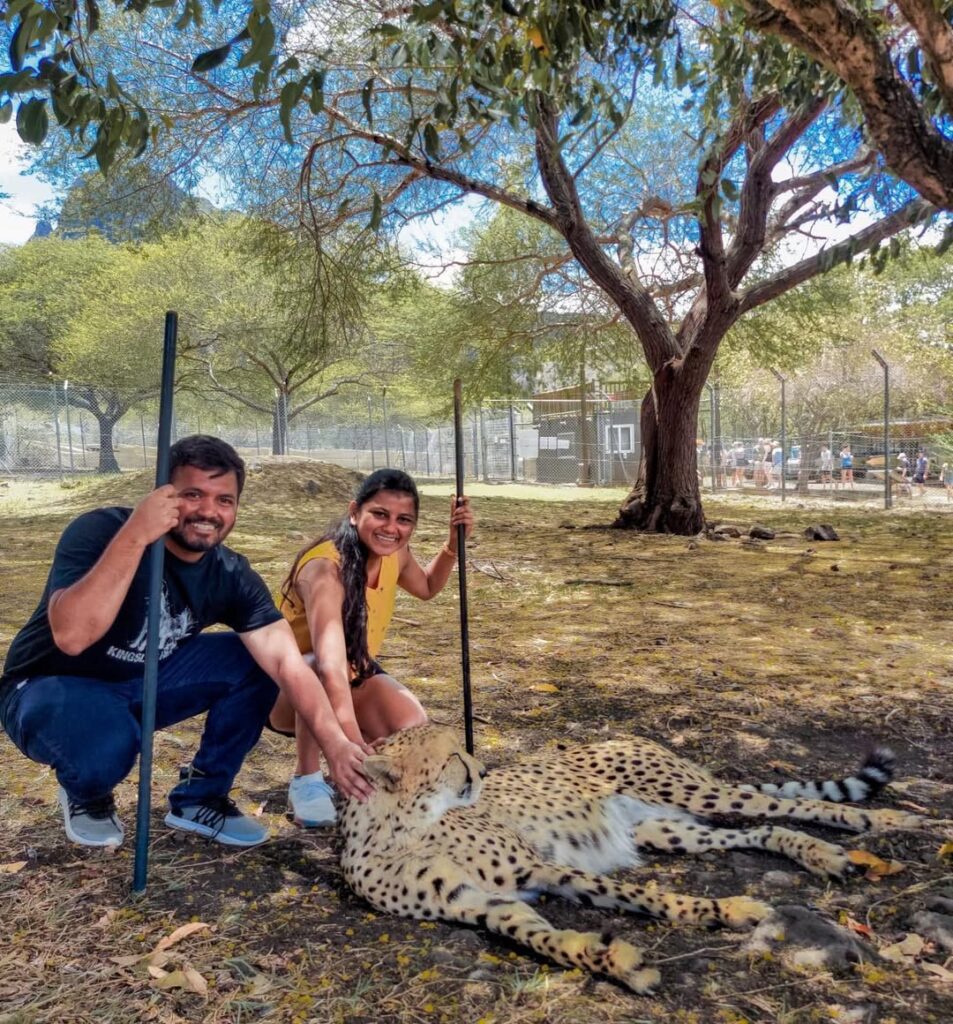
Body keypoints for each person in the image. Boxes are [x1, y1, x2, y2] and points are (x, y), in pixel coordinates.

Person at [0, 436, 371, 849]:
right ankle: (87, 791)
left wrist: (336, 744)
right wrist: (136, 536)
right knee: (109, 744)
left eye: (224, 500)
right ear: (162, 496)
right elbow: (72, 636)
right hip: (49, 688)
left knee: (256, 662)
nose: (209, 511)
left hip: (145, 680)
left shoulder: (231, 574)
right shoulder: (101, 530)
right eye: (193, 495)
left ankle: (201, 798)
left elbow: (287, 664)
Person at [270, 468, 474, 827]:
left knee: (410, 724)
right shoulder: (324, 569)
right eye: (380, 514)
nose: (391, 527)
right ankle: (307, 779)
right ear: (355, 512)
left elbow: (427, 587)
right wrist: (351, 745)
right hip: (281, 692)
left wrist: (452, 546)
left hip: (349, 674)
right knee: (314, 665)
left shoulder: (395, 554)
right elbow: (330, 667)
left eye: (403, 520)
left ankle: (364, 778)